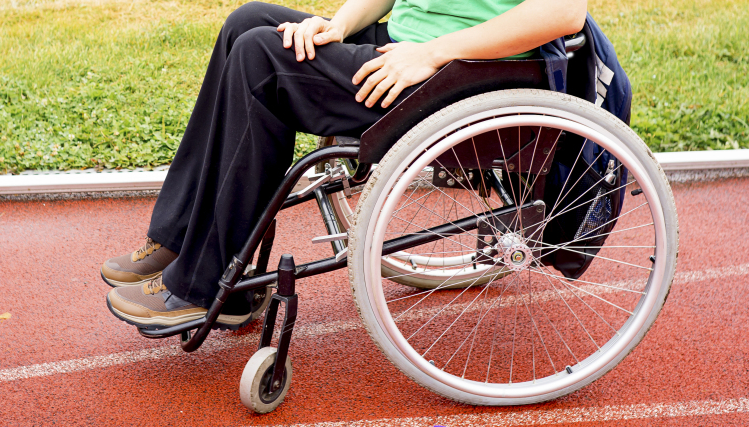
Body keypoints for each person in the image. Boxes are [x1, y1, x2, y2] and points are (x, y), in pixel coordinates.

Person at [100, 0, 588, 329]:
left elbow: (565, 11)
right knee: (246, 22)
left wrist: (432, 53)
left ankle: (204, 285)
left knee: (261, 58)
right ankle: (178, 239)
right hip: (407, 47)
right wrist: (338, 25)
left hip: (466, 70)